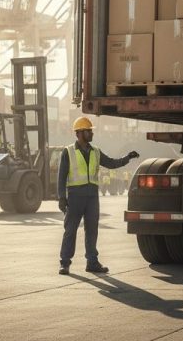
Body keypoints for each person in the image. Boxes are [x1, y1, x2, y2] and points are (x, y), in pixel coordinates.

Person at [57, 116, 139, 275]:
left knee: (92, 230)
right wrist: (61, 197)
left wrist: (127, 158)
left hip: (92, 197)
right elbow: (61, 176)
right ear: (79, 133)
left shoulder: (95, 151)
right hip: (75, 196)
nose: (92, 133)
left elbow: (112, 163)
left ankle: (92, 262)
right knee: (70, 230)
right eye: (89, 131)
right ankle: (65, 263)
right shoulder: (68, 152)